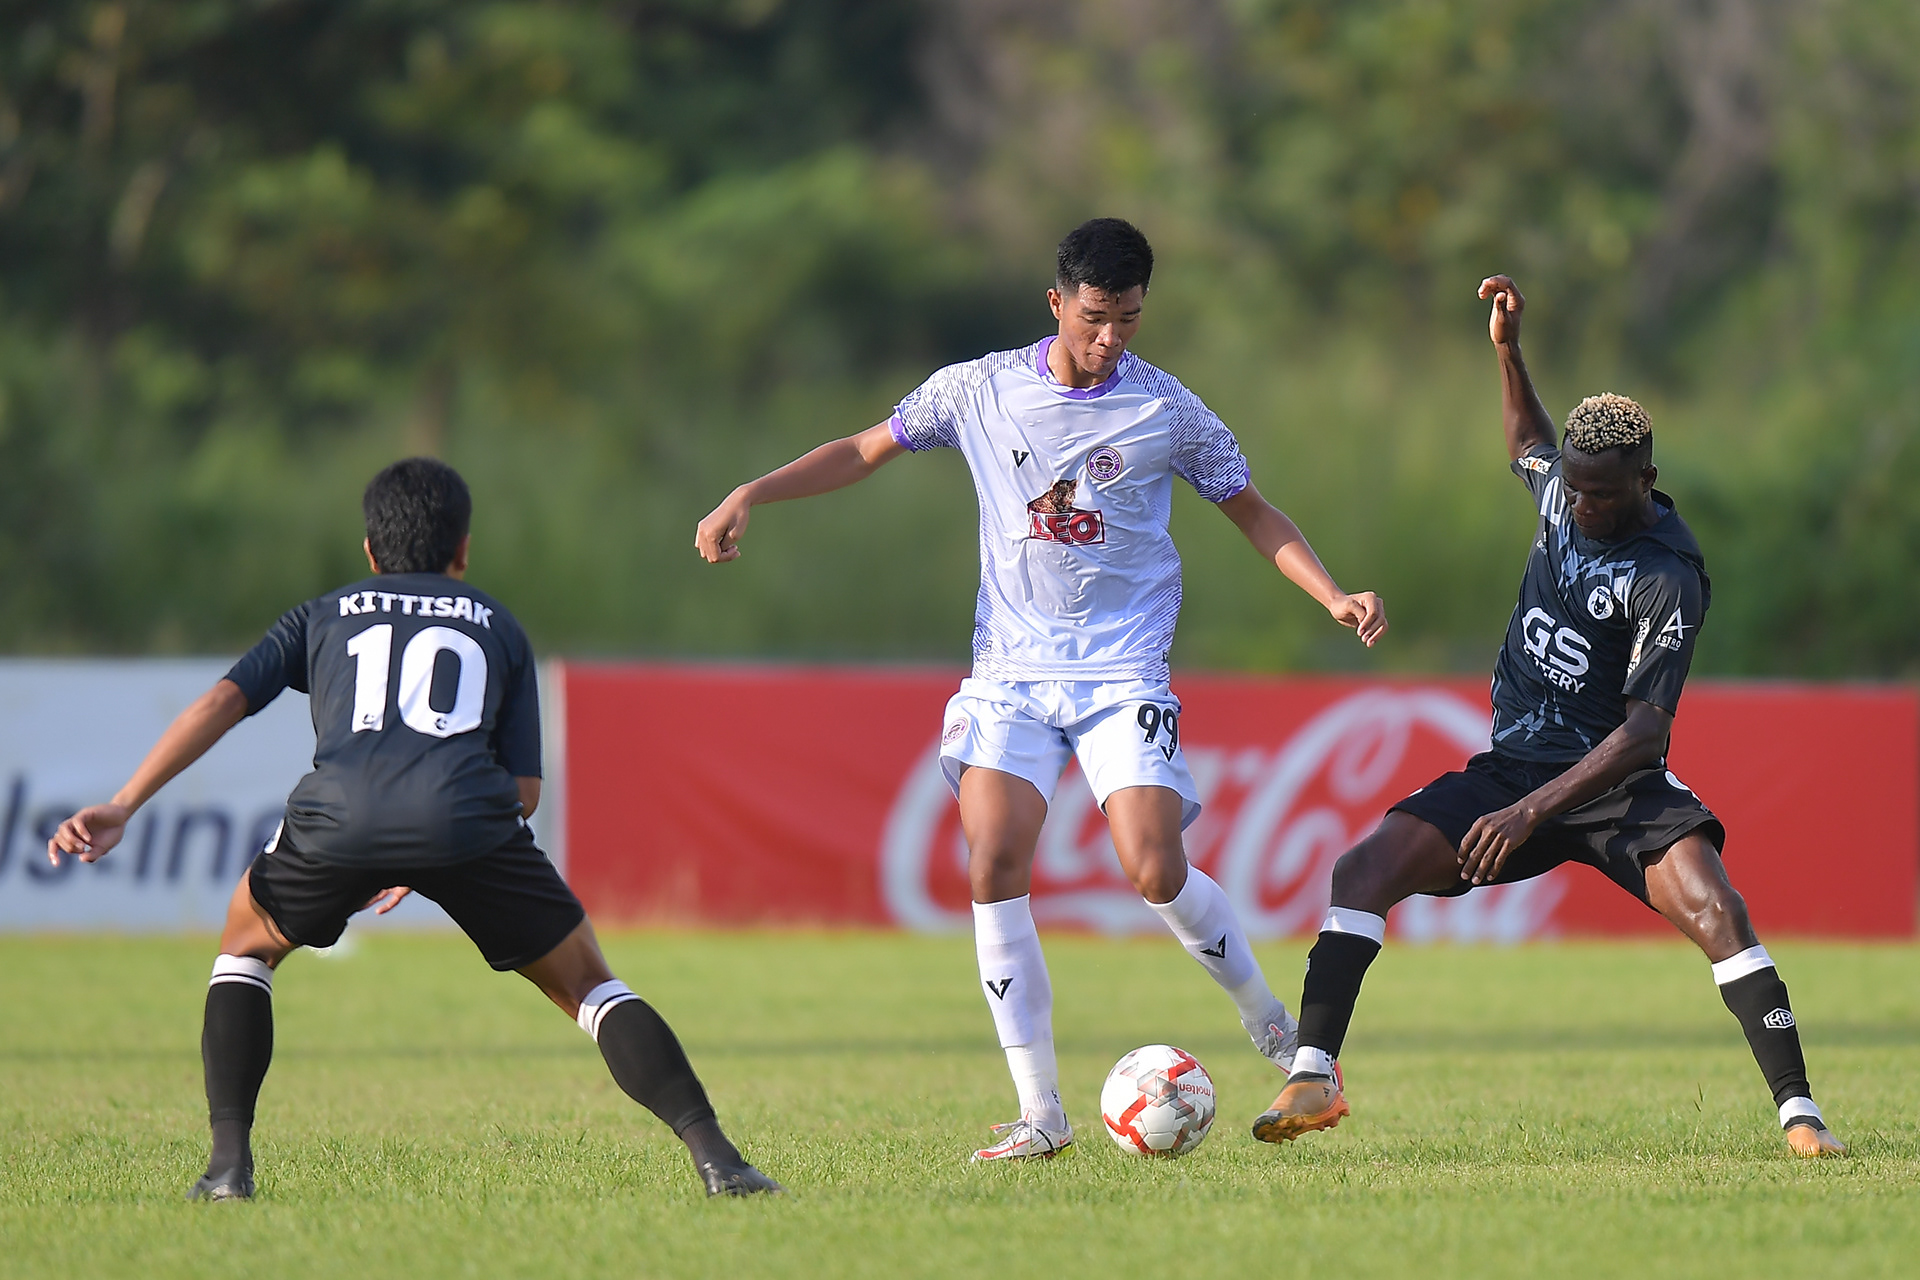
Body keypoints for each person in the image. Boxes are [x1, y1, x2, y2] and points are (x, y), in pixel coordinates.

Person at [696, 218, 1387, 1161]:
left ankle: (1267, 1015)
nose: (1110, 338)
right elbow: (862, 448)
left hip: (1121, 670)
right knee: (993, 861)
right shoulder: (976, 389)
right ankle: (1041, 1114)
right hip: (1010, 675)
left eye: (1129, 319)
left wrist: (1332, 593)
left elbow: (1253, 511)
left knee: (1153, 866)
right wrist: (752, 492)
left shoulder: (1166, 409)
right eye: (1095, 317)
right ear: (1056, 301)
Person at [48, 458, 783, 1200]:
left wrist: (125, 802)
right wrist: (430, 841)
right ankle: (719, 1160)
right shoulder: (499, 626)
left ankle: (227, 1169)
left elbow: (221, 703)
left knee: (246, 947)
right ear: (462, 549)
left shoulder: (322, 614)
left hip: (340, 819)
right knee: (591, 984)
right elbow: (524, 793)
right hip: (467, 820)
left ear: (370, 549)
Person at [1251, 275, 1845, 1158]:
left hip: (1614, 781)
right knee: (1363, 868)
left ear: (1645, 479)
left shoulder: (1667, 574)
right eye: (1574, 488)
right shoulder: (1563, 488)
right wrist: (1508, 352)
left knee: (1719, 909)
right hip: (1515, 764)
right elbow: (1528, 440)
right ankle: (1313, 1072)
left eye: (1601, 494)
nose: (1582, 505)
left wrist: (1530, 813)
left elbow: (1646, 733)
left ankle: (1801, 1116)